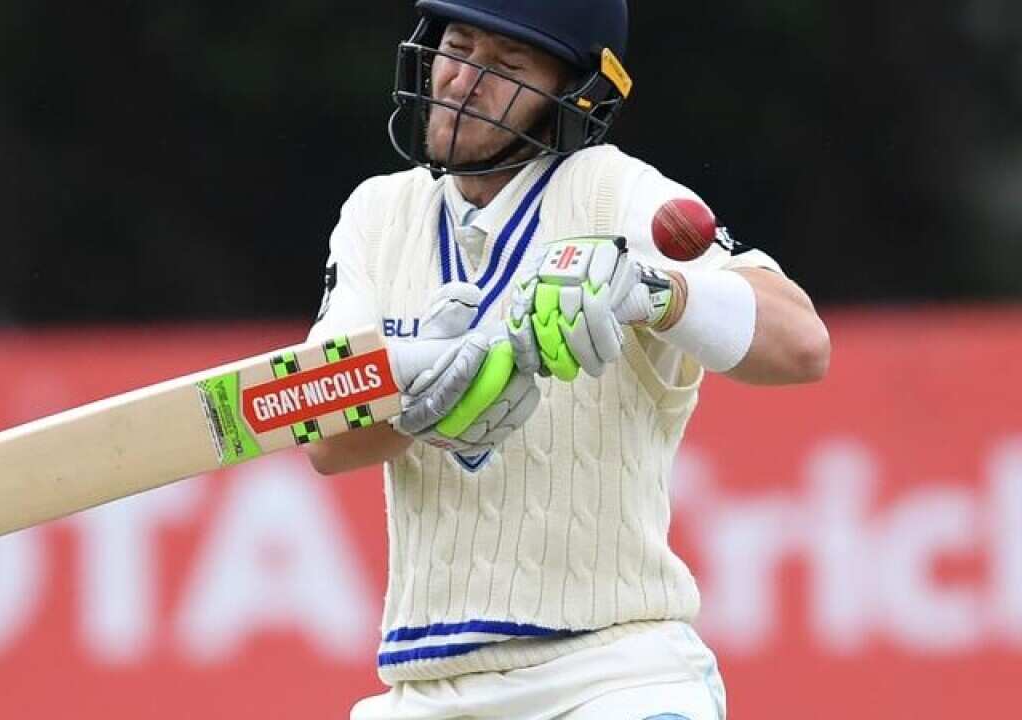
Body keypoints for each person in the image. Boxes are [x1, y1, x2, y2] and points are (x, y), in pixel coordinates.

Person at [305, 1, 830, 718]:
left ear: (576, 94)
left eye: (507, 65)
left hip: (614, 674)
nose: (464, 80)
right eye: (458, 46)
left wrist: (655, 293)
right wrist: (417, 399)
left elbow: (802, 345)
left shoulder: (616, 194)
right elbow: (327, 442)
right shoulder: (377, 214)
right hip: (425, 688)